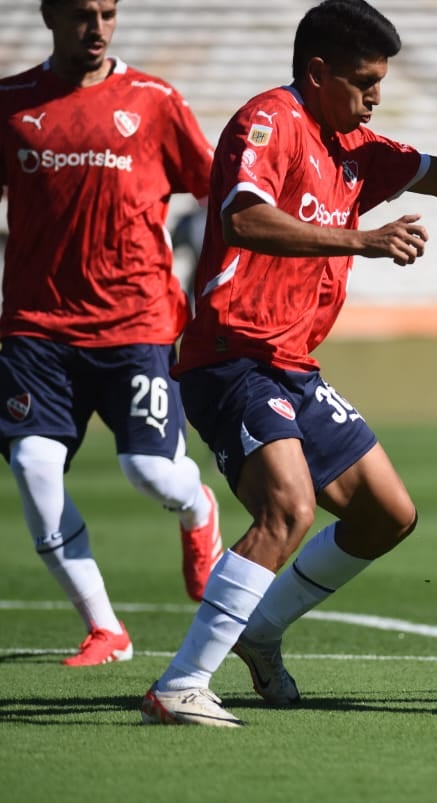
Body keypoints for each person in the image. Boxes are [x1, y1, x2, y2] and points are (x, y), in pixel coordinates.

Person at [139, 0, 437, 727]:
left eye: (380, 81)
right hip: (231, 354)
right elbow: (243, 217)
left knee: (388, 516)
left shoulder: (352, 143)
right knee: (287, 506)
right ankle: (180, 684)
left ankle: (260, 631)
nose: (375, 95)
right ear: (317, 73)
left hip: (291, 363)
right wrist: (364, 241)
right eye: (363, 80)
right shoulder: (269, 122)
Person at [0, 0, 224, 667]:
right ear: (48, 15)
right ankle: (105, 628)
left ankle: (198, 508)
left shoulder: (154, 100)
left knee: (151, 471)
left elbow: (215, 190)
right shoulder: (10, 104)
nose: (95, 28)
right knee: (34, 466)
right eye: (79, 14)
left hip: (136, 322)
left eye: (107, 12)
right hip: (37, 328)